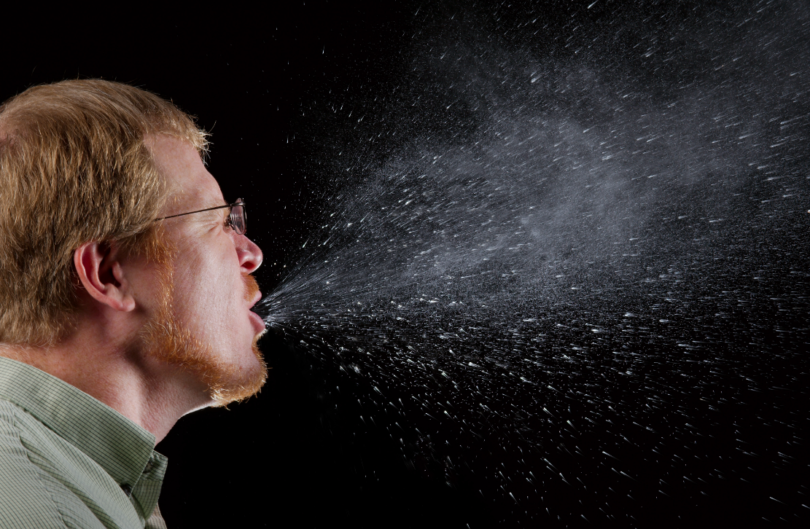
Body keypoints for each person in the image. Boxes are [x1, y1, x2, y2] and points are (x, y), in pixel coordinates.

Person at [0, 79, 267, 528]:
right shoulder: (45, 512)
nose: (251, 253)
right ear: (109, 274)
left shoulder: (83, 480)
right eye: (218, 222)